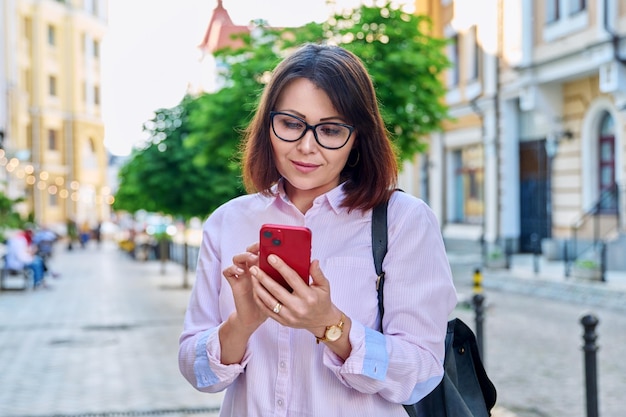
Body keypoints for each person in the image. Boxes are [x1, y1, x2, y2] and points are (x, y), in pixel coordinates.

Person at [178, 44, 457, 416]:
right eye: (291, 124)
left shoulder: (402, 220)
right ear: (268, 125)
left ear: (358, 137)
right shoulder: (228, 221)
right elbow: (198, 372)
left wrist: (329, 325)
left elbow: (420, 374)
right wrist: (242, 323)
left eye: (330, 129)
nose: (306, 146)